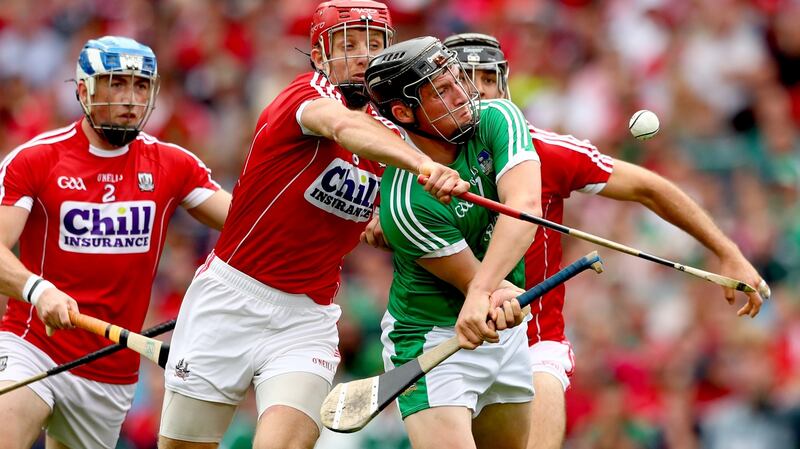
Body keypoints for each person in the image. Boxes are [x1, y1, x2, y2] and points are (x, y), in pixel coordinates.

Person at [157, 3, 470, 449]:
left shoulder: (395, 131)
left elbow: (395, 218)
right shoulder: (306, 95)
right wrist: (423, 164)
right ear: (321, 55)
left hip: (306, 318)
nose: (364, 55)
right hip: (230, 297)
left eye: (375, 44)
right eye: (349, 44)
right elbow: (342, 126)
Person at [441, 32, 771, 449]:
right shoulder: (417, 162)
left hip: (533, 341)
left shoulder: (541, 149)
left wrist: (728, 253)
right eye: (467, 81)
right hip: (453, 340)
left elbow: (649, 188)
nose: (481, 92)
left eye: (489, 79)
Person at [0, 36, 231, 449]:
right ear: (83, 90)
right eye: (116, 83)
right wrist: (38, 290)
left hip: (109, 368)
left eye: (140, 86)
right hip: (32, 344)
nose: (130, 98)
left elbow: (253, 225)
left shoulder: (173, 164)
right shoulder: (36, 159)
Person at [365, 35, 542, 449]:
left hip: (499, 325)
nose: (463, 94)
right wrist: (487, 293)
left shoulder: (498, 116)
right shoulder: (404, 203)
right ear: (404, 112)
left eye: (456, 79)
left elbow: (526, 205)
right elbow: (474, 282)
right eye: (441, 91)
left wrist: (486, 295)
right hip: (433, 341)